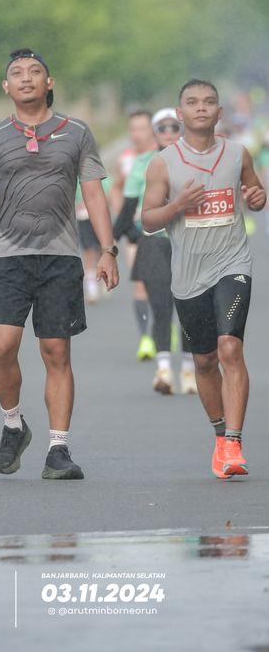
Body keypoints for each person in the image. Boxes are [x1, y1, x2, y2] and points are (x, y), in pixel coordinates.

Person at [0, 47, 118, 480]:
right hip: (8, 256)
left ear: (49, 83)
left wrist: (107, 250)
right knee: (2, 346)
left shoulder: (76, 131)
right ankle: (13, 426)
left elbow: (94, 193)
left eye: (34, 72)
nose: (26, 78)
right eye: (17, 73)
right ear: (6, 86)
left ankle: (58, 449)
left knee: (56, 351)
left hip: (60, 256)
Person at [142, 79, 266, 478]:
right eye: (192, 102)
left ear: (219, 112)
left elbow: (255, 193)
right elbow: (147, 220)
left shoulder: (237, 153)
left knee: (230, 347)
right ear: (180, 114)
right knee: (205, 359)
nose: (201, 108)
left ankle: (234, 442)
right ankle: (219, 435)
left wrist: (258, 197)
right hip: (189, 274)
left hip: (233, 263)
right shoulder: (163, 163)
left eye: (209, 102)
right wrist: (178, 204)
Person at [113, 108, 197, 395]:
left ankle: (188, 371)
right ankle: (164, 371)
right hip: (155, 244)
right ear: (155, 132)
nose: (169, 133)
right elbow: (127, 209)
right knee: (161, 308)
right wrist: (115, 242)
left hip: (190, 244)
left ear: (182, 129)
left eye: (175, 127)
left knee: (189, 310)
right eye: (163, 128)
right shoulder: (142, 163)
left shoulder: (196, 160)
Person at [111, 111, 158, 361]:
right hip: (135, 230)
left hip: (162, 229)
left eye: (142, 128)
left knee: (165, 283)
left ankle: (165, 326)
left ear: (152, 130)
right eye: (133, 129)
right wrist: (123, 216)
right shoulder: (127, 159)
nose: (137, 134)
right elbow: (117, 187)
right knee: (140, 282)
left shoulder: (163, 156)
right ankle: (146, 338)